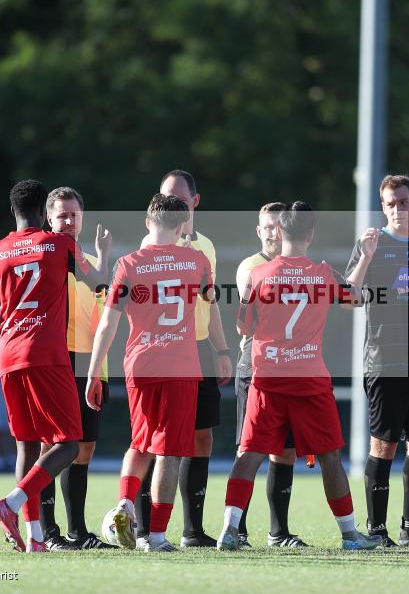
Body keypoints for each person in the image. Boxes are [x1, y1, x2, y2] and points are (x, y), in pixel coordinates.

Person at [217, 201, 380, 551]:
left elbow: (243, 325)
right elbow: (354, 298)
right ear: (311, 234)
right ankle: (350, 536)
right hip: (309, 378)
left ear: (279, 231)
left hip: (267, 376)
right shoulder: (322, 273)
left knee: (249, 454)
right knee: (329, 456)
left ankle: (229, 530)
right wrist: (364, 257)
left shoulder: (258, 275)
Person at [0, 179, 110, 553]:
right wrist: (103, 254)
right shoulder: (59, 245)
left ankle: (34, 538)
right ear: (42, 213)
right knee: (68, 444)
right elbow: (100, 284)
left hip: (7, 358)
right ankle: (12, 503)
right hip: (47, 355)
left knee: (27, 447)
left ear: (13, 210)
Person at [85, 193, 214, 552]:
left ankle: (126, 503)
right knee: (169, 452)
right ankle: (155, 536)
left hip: (139, 364)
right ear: (183, 225)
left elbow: (108, 324)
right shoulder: (197, 259)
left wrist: (94, 373)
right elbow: (209, 299)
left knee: (140, 443)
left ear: (147, 222)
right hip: (181, 365)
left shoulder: (128, 263)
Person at [345, 175, 409, 547]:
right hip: (383, 359)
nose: (397, 209)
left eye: (403, 202)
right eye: (390, 203)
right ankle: (377, 530)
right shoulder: (372, 243)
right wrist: (367, 256)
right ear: (382, 207)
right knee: (383, 444)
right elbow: (349, 297)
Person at [135, 170, 232, 548]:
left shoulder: (206, 246)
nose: (172, 202)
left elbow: (212, 302)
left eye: (178, 197)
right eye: (164, 196)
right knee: (155, 440)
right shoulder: (151, 244)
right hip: (164, 352)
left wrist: (222, 350)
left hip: (201, 347)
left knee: (201, 436)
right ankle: (145, 526)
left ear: (195, 201)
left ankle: (192, 529)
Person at [34, 186, 116, 550]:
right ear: (48, 218)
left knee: (84, 449)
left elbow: (104, 311)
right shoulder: (42, 255)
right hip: (57, 359)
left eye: (74, 215)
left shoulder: (84, 259)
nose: (68, 221)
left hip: (91, 362)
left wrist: (104, 259)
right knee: (52, 446)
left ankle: (77, 532)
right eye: (61, 215)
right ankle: (47, 531)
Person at [233, 202, 308, 547]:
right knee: (249, 449)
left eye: (278, 224)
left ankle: (279, 532)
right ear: (258, 230)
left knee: (286, 451)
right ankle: (237, 529)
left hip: (291, 366)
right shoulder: (253, 266)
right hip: (257, 364)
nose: (273, 230)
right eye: (266, 226)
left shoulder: (297, 267)